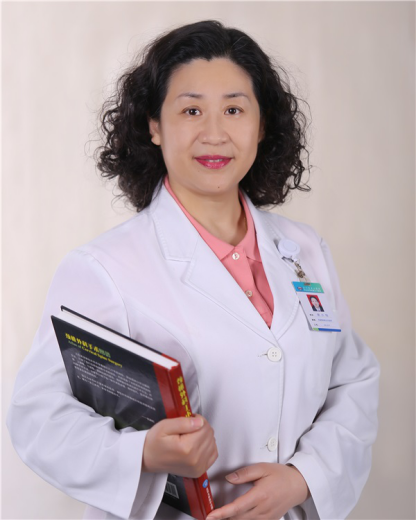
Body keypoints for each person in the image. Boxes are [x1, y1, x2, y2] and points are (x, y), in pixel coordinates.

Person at [6, 20, 379, 520]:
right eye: (191, 110)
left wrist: (305, 477)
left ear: (261, 125)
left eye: (234, 109)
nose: (215, 134)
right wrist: (141, 453)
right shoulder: (103, 269)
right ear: (154, 126)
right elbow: (38, 415)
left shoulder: (305, 250)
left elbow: (352, 381)